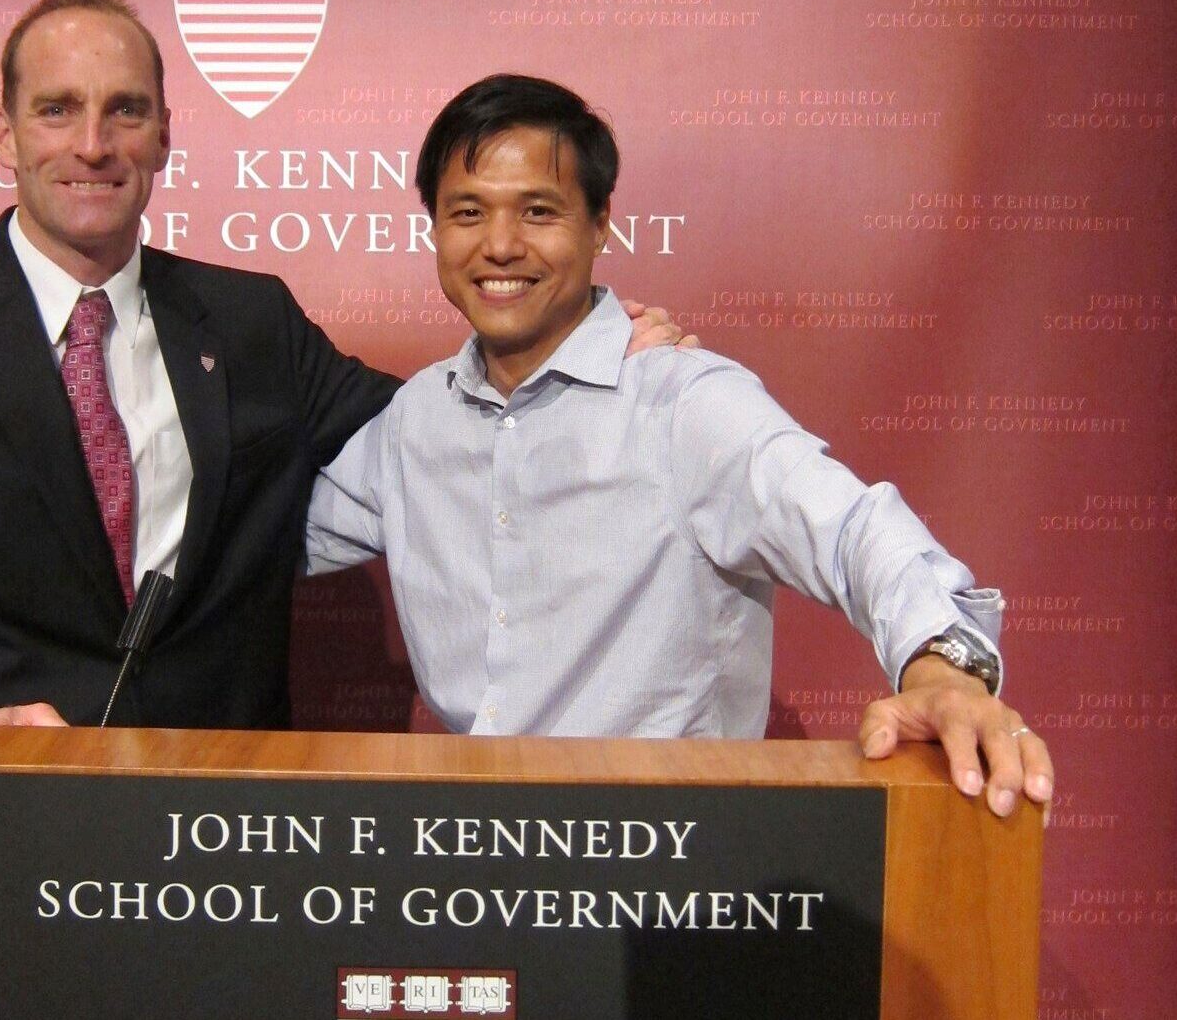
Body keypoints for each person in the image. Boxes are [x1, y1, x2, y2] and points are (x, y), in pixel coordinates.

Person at [0, 0, 680, 750]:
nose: (93, 144)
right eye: (56, 110)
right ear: (6, 133)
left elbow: (449, 434)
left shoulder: (248, 319)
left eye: (125, 111)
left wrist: (595, 344)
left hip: (218, 846)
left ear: (165, 137)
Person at [305, 74, 1054, 817]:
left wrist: (945, 672)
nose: (500, 245)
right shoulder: (414, 422)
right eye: (468, 212)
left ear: (600, 223)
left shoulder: (685, 404)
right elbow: (249, 535)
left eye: (539, 211)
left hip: (670, 875)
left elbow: (854, 532)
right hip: (473, 865)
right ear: (434, 228)